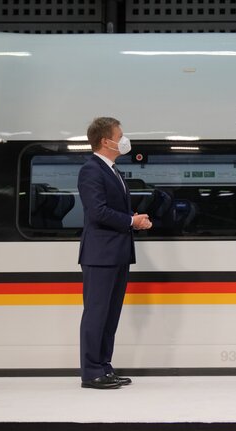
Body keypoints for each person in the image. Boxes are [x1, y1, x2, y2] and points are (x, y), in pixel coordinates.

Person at [78, 117, 152, 389]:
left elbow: (112, 211)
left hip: (117, 253)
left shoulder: (113, 171)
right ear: (105, 141)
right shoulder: (91, 170)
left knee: (110, 314)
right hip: (100, 255)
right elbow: (96, 212)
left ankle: (104, 367)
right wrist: (131, 221)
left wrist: (134, 219)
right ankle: (91, 372)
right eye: (119, 135)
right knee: (97, 313)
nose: (124, 139)